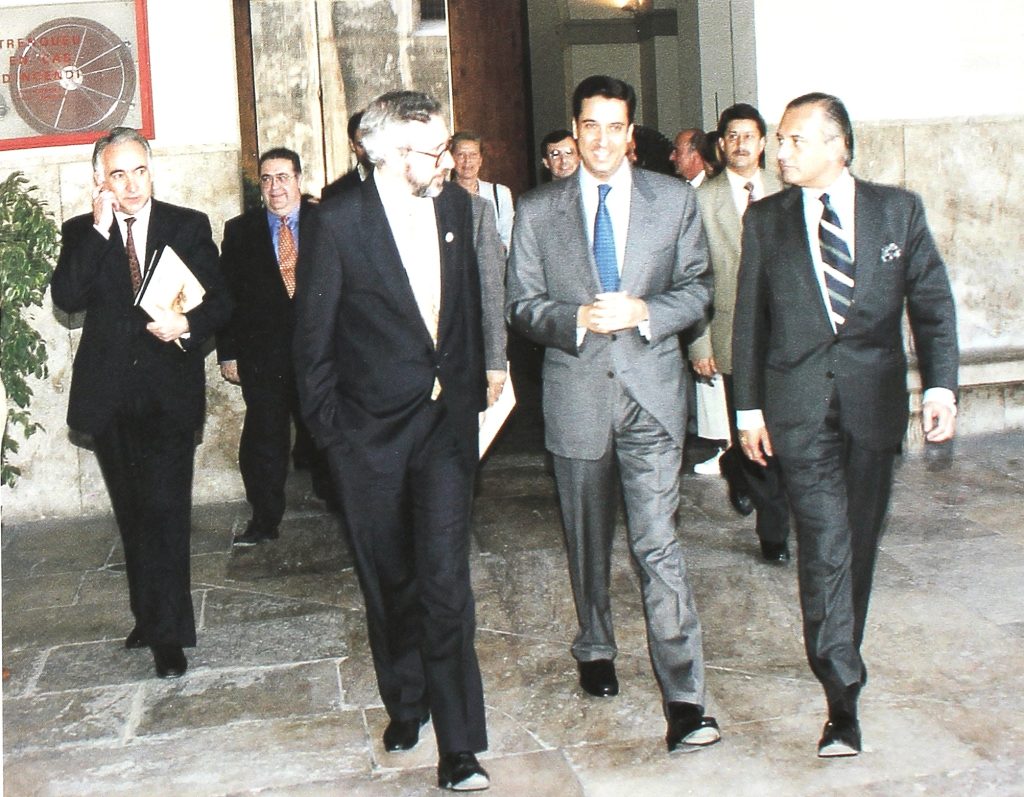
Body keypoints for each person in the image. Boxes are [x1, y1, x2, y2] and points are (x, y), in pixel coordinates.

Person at [732, 92, 958, 757]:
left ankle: (842, 646)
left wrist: (940, 385)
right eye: (779, 140)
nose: (780, 151)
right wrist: (748, 409)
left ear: (838, 146)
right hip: (798, 410)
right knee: (826, 541)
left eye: (794, 140)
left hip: (874, 407)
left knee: (857, 543)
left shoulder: (897, 211)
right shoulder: (766, 220)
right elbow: (749, 319)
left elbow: (933, 303)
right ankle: (841, 692)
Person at [506, 75, 719, 753]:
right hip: (576, 395)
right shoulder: (538, 210)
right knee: (587, 536)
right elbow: (521, 304)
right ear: (575, 131)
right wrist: (574, 319)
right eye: (590, 126)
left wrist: (646, 310)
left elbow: (699, 288)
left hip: (651, 396)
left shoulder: (673, 199)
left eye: (614, 126)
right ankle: (595, 641)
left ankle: (685, 698)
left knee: (658, 544)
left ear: (631, 134)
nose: (601, 140)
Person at [293, 90, 490, 791]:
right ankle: (407, 699)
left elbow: (466, 310)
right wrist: (334, 439)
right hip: (369, 437)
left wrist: (476, 393)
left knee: (446, 584)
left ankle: (460, 746)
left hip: (444, 430)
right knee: (391, 583)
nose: (448, 163)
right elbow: (311, 343)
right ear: (389, 154)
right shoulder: (338, 221)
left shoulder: (457, 207)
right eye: (434, 152)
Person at [50, 127, 232, 679]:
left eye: (139, 171)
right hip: (109, 399)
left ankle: (169, 635)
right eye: (118, 175)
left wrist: (187, 324)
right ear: (100, 180)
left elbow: (221, 300)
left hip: (167, 395)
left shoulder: (187, 224)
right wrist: (99, 229)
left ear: (151, 172)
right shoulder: (82, 231)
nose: (131, 185)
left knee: (166, 512)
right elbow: (68, 297)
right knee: (133, 515)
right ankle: (148, 616)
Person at [690, 103, 790, 562]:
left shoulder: (786, 191)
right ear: (720, 144)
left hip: (786, 337)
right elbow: (693, 275)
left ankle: (733, 463)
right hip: (731, 333)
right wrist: (699, 341)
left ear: (763, 142)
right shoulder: (702, 200)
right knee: (752, 431)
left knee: (781, 433)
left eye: (749, 136)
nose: (740, 144)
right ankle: (774, 534)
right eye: (732, 136)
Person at [217, 148, 332, 547]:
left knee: (326, 431)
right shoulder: (240, 231)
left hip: (320, 354)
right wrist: (228, 352)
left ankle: (339, 500)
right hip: (264, 358)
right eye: (266, 179)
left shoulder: (325, 221)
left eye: (282, 177)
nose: (274, 187)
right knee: (264, 441)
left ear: (299, 179)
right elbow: (226, 297)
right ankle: (264, 519)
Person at [450, 130, 514, 253]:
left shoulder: (500, 194)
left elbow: (508, 241)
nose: (467, 160)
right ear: (452, 159)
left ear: (480, 160)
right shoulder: (441, 194)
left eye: (473, 155)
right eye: (461, 155)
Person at [321, 110, 371, 200]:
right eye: (361, 145)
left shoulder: (397, 182)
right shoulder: (335, 192)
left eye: (372, 142)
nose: (369, 150)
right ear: (352, 145)